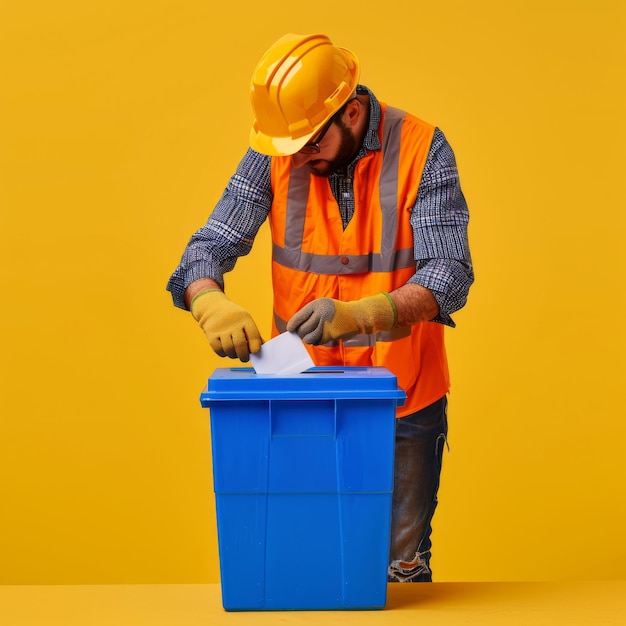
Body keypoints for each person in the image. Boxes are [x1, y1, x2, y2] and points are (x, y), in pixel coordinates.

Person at [167, 33, 473, 582]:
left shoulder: (424, 148)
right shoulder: (278, 151)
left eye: (310, 143)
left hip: (403, 399)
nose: (297, 157)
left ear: (351, 112)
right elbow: (208, 245)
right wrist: (209, 299)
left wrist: (364, 314)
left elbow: (450, 275)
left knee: (398, 574)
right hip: (303, 398)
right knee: (305, 564)